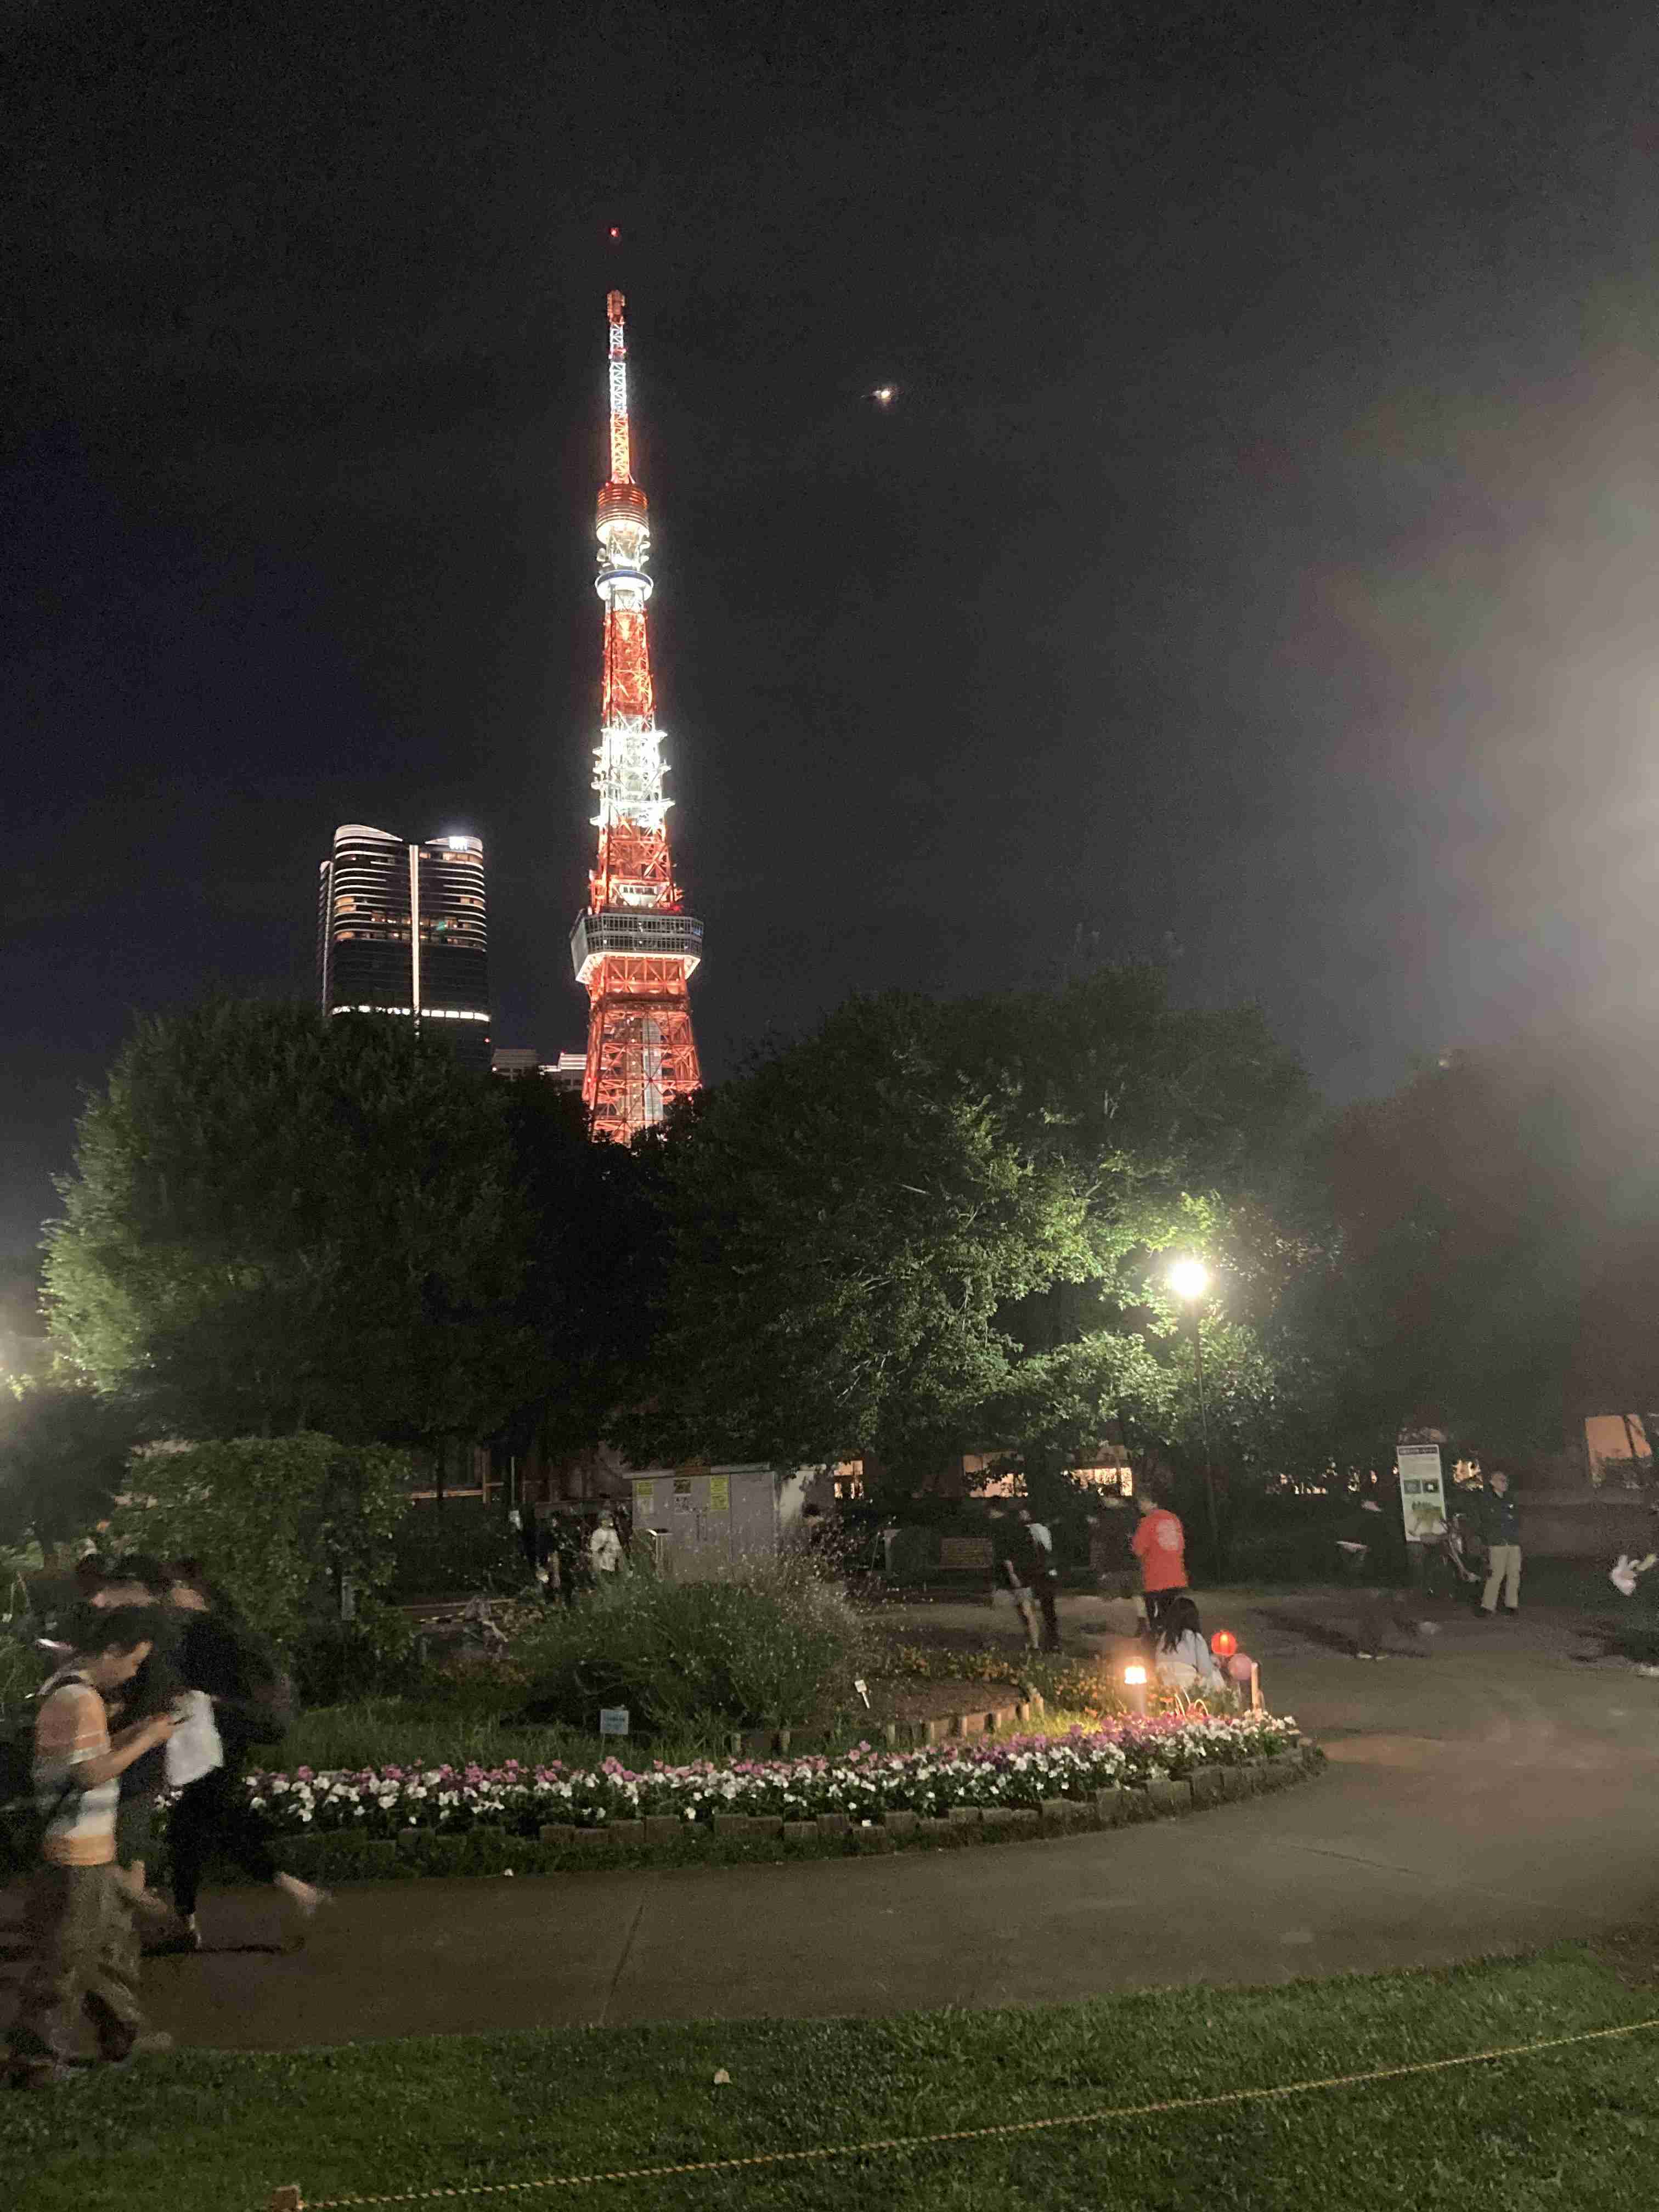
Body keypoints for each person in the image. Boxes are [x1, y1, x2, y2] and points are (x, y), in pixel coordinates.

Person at [4, 1603, 178, 2088]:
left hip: (89, 1849)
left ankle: (123, 2034)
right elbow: (88, 1774)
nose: (134, 1673)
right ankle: (36, 2060)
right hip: (74, 1851)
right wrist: (147, 1742)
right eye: (134, 1661)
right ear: (112, 1650)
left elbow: (84, 1759)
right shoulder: (78, 1699)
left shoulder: (74, 1694)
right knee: (67, 1959)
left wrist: (134, 1732)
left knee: (103, 1952)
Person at [165, 1563, 326, 1949]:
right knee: (198, 1823)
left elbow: (205, 1686)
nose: (169, 1593)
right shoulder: (222, 1628)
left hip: (215, 1737)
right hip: (223, 1736)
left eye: (175, 1586)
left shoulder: (205, 1631)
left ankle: (293, 1890)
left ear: (195, 1592)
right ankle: (186, 1921)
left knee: (202, 1823)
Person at [88, 1556, 180, 1944]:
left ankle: (140, 1921)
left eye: (113, 1587)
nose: (101, 1598)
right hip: (144, 1746)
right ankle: (126, 1930)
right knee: (129, 1844)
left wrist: (114, 1713)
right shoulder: (165, 1626)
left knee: (120, 1845)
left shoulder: (147, 1630)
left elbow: (147, 1691)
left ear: (137, 1586)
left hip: (133, 1747)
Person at [1131, 1492, 1188, 1632]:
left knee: (1155, 1612)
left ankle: (1157, 1638)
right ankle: (1171, 1636)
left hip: (1156, 1577)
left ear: (1153, 1503)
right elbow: (1181, 1544)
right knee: (1169, 1609)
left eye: (1143, 1502)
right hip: (1176, 1575)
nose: (1140, 1506)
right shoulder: (1174, 1519)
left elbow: (1138, 1549)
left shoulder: (1147, 1522)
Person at [1012, 1506, 1061, 1650]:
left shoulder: (1027, 1531)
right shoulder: (1044, 1530)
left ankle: (1038, 1640)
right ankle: (1052, 1640)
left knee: (1031, 1608)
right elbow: (1049, 1549)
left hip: (1035, 1572)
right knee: (1048, 1608)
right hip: (1046, 1572)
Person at [1152, 1595, 1222, 1695]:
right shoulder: (1195, 1638)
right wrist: (1213, 1665)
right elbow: (1205, 1671)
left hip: (1166, 1688)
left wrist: (1210, 1659)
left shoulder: (1164, 1638)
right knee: (1214, 1675)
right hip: (1188, 1689)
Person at [1477, 1469, 1522, 1617]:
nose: (1505, 1483)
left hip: (1513, 1542)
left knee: (1514, 1574)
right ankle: (1488, 1606)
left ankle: (1511, 1605)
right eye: (1502, 1481)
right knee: (1496, 1575)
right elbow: (1488, 1521)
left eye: (1506, 1481)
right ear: (1493, 1483)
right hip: (1497, 1543)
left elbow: (1517, 1518)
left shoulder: (1510, 1499)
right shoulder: (1487, 1500)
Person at [588, 1509, 624, 1579]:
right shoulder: (597, 1533)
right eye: (608, 1519)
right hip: (603, 1566)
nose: (610, 1521)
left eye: (610, 1519)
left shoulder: (613, 1532)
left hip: (614, 1564)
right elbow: (595, 1550)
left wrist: (621, 1560)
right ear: (602, 1521)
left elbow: (618, 1547)